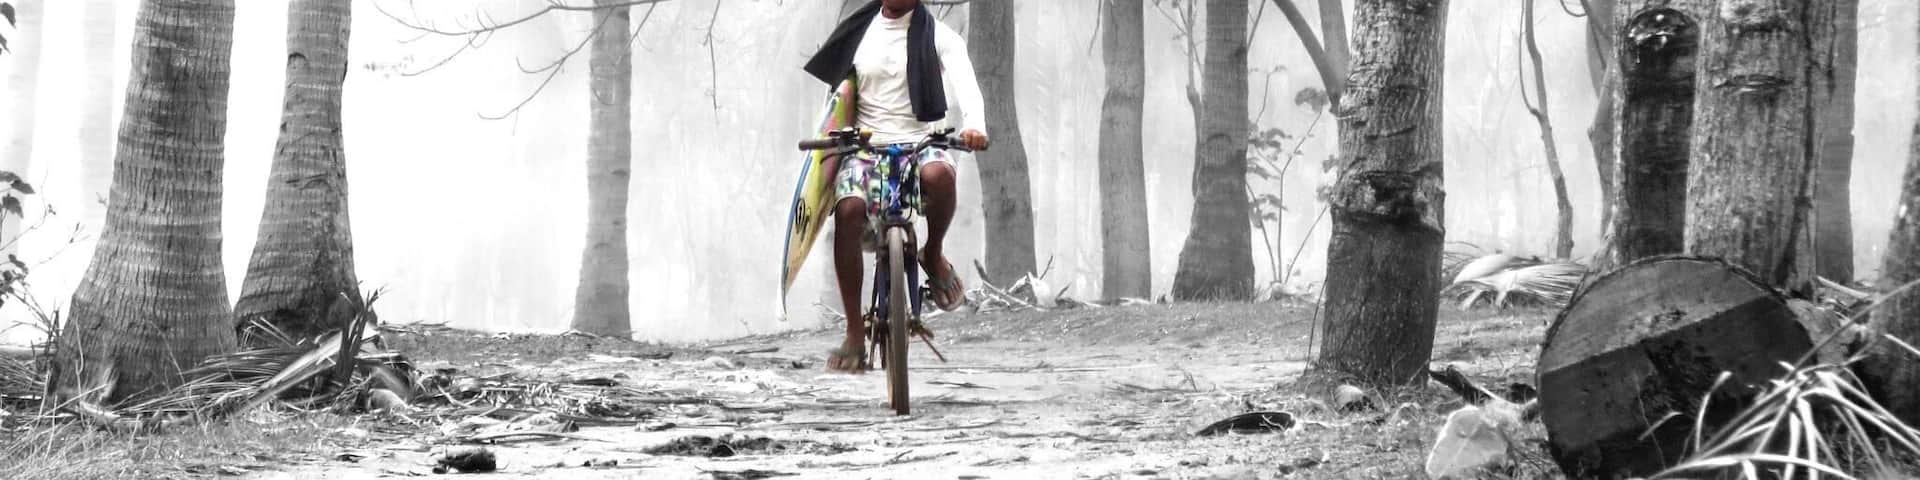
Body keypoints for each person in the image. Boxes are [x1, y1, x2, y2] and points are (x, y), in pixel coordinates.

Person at [803, 0, 989, 373]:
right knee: (849, 210)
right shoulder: (858, 31)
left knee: (940, 175)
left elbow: (966, 84)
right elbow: (837, 100)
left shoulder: (939, 35)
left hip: (921, 141)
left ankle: (932, 254)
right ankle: (855, 334)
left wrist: (975, 126)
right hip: (865, 145)